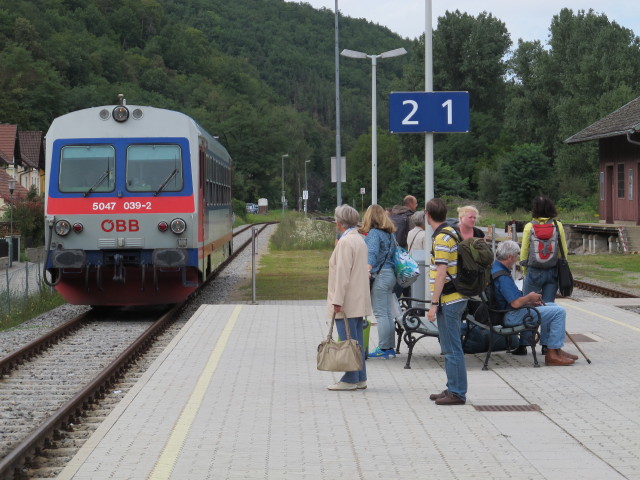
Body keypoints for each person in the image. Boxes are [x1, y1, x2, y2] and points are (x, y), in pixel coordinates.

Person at [492, 240, 577, 366]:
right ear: (509, 257)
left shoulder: (495, 268)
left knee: (552, 306)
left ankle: (555, 349)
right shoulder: (502, 276)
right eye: (516, 256)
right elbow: (515, 303)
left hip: (507, 312)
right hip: (510, 316)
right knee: (559, 312)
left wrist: (529, 301)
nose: (516, 260)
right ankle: (552, 354)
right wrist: (530, 298)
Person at [425, 198, 469, 406]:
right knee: (450, 347)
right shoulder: (452, 232)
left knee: (452, 348)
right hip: (453, 299)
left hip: (449, 300)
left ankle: (458, 392)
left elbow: (441, 273)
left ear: (427, 216)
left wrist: (433, 304)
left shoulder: (442, 238)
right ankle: (452, 387)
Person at [326, 205, 373, 390]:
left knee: (347, 340)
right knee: (356, 340)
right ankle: (360, 376)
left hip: (347, 300)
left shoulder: (346, 242)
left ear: (339, 222)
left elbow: (342, 273)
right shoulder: (359, 239)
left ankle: (350, 378)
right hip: (358, 298)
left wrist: (337, 300)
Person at [518, 196, 569, 355]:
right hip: (552, 272)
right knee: (548, 307)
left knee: (528, 307)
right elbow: (563, 250)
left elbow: (524, 250)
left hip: (533, 271)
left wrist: (525, 271)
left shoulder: (529, 227)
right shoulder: (557, 225)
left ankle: (524, 344)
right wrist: (563, 266)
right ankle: (546, 345)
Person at [360, 204, 397, 359]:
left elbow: (372, 254)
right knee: (388, 313)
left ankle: (383, 348)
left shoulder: (374, 233)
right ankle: (389, 348)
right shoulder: (389, 234)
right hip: (390, 274)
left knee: (381, 313)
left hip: (380, 275)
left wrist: (366, 271)